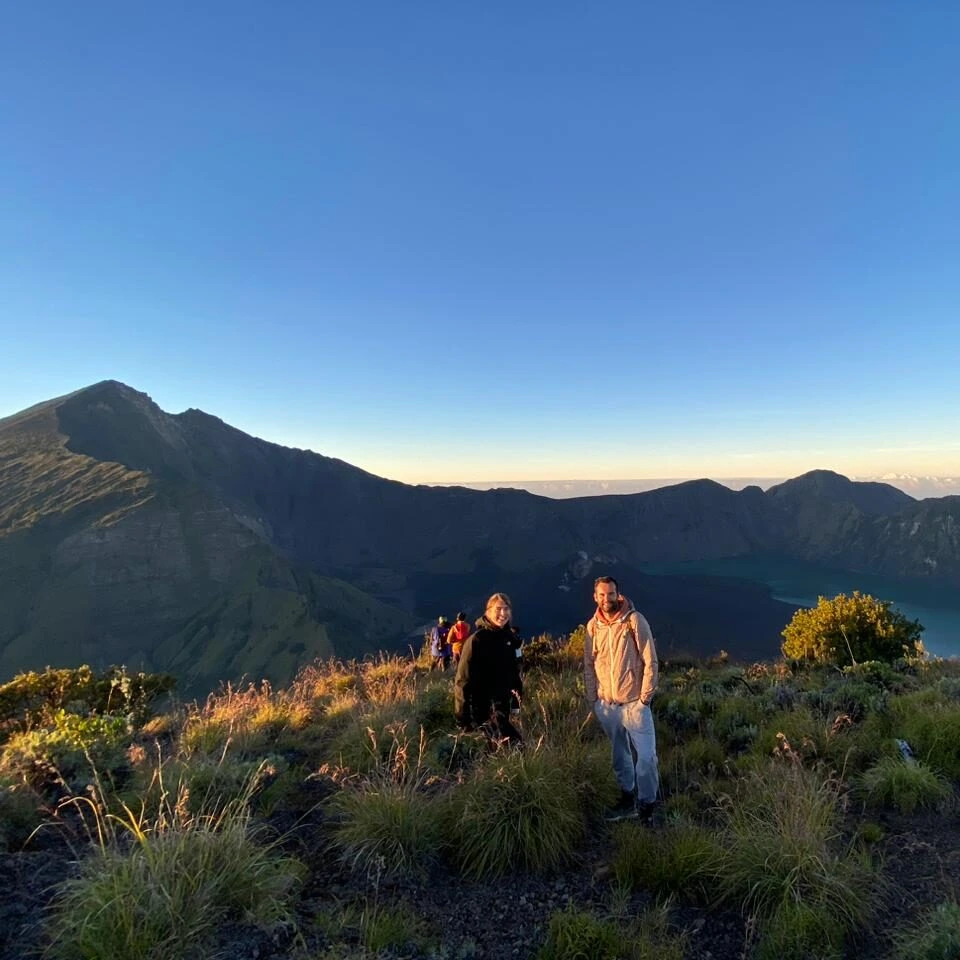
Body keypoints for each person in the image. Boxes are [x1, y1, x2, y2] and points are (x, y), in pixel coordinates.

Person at [584, 576, 659, 821]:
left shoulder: (635, 621)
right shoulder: (593, 626)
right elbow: (589, 664)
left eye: (611, 593)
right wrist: (594, 699)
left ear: (619, 594)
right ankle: (627, 798)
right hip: (608, 706)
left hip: (634, 705)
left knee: (646, 759)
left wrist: (644, 700)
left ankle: (647, 805)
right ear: (595, 597)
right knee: (620, 756)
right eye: (602, 595)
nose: (607, 599)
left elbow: (651, 661)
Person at [454, 593, 523, 745]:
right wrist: (463, 718)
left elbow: (514, 673)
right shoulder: (477, 640)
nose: (503, 614)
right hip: (482, 709)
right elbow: (462, 680)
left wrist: (516, 704)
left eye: (506, 609)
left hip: (502, 706)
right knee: (516, 747)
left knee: (497, 750)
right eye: (498, 609)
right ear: (488, 611)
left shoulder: (509, 639)